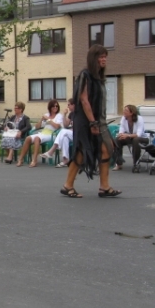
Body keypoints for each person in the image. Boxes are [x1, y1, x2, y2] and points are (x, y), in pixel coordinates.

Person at [60, 44, 121, 198]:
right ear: (93, 59)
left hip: (98, 120)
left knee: (106, 149)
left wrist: (97, 122)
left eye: (105, 56)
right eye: (101, 57)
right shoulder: (85, 75)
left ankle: (104, 187)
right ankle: (67, 186)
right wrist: (93, 123)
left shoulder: (98, 78)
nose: (104, 59)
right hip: (86, 121)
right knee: (81, 152)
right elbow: (84, 100)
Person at [17, 99, 63, 168]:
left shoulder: (59, 116)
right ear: (50, 107)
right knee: (28, 138)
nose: (55, 107)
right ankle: (21, 159)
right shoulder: (46, 115)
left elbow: (57, 126)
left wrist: (49, 120)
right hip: (43, 133)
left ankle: (34, 160)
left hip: (52, 135)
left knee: (36, 138)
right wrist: (42, 119)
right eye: (53, 106)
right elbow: (37, 127)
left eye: (57, 106)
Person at [40, 98, 75, 167]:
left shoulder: (80, 114)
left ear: (74, 105)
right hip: (72, 134)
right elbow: (66, 125)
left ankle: (51, 151)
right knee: (65, 137)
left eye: (69, 105)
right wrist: (64, 115)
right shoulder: (72, 114)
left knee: (63, 131)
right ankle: (65, 160)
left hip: (80, 134)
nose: (68, 106)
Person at [112, 104, 148, 171]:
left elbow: (139, 134)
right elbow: (121, 128)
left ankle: (136, 163)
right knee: (117, 140)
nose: (123, 111)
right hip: (130, 137)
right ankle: (119, 164)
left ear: (131, 113)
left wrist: (127, 135)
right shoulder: (123, 118)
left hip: (143, 138)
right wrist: (121, 135)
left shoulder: (139, 119)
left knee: (136, 140)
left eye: (126, 110)